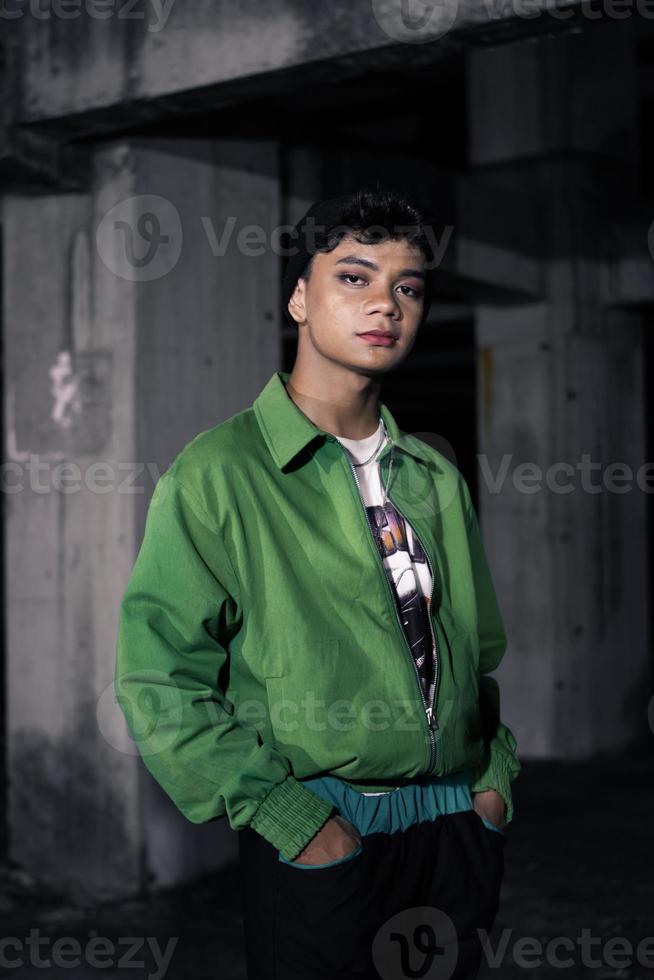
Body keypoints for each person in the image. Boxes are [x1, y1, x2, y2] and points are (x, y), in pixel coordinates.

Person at [114, 187, 521, 980]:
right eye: (355, 278)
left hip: (455, 827)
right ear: (300, 297)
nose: (387, 305)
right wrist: (289, 818)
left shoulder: (433, 474)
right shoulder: (221, 471)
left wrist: (493, 788)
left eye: (407, 286)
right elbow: (157, 679)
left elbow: (479, 651)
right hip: (324, 827)